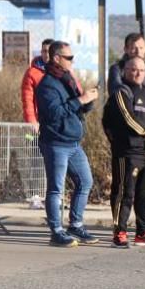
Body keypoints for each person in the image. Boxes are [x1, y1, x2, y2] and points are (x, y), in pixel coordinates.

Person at [36, 41, 100, 248]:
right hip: (55, 143)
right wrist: (80, 100)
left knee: (85, 181)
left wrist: (88, 100)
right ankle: (56, 231)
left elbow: (75, 109)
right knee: (56, 189)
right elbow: (55, 114)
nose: (72, 61)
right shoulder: (47, 85)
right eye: (68, 57)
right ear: (56, 58)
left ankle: (75, 224)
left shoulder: (66, 79)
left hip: (73, 142)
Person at [102, 56, 145, 248]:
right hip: (127, 152)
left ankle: (142, 231)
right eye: (133, 69)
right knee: (124, 193)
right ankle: (119, 232)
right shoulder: (122, 93)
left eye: (140, 70)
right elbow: (129, 120)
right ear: (125, 71)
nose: (137, 73)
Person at [21, 38, 54, 124]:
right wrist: (31, 121)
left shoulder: (61, 72)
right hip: (38, 121)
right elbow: (27, 99)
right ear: (41, 52)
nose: (47, 54)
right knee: (31, 138)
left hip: (56, 121)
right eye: (44, 51)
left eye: (49, 51)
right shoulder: (31, 73)